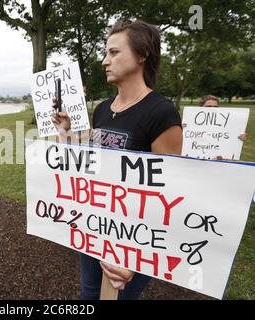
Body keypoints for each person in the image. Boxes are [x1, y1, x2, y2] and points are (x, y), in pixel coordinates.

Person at [52, 20, 182, 300]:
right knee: (88, 294)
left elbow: (170, 194)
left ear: (142, 54)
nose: (104, 61)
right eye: (105, 53)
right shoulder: (101, 109)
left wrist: (135, 256)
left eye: (113, 53)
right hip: (95, 227)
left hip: (134, 240)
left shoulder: (161, 113)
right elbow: (92, 162)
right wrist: (66, 132)